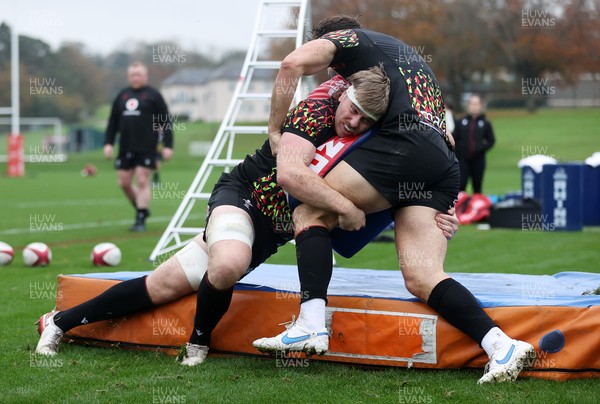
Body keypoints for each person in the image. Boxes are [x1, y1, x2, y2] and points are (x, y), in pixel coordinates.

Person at [37, 66, 458, 365]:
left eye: (365, 120)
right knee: (229, 263)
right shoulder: (314, 112)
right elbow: (292, 173)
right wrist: (344, 207)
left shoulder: (373, 133)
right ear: (342, 92)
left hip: (270, 230)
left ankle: (60, 322)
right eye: (351, 110)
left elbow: (405, 166)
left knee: (164, 283)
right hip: (244, 196)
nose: (353, 122)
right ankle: (198, 345)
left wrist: (440, 207)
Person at [253, 17, 534, 384]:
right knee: (422, 276)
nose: (329, 75)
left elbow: (291, 63)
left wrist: (274, 130)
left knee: (310, 209)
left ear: (334, 41)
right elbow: (438, 130)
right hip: (442, 164)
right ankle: (502, 346)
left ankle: (309, 324)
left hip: (409, 149)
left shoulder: (348, 43)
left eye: (329, 65)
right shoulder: (400, 62)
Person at [104, 61, 174, 232]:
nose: (135, 78)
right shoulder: (122, 96)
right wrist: (108, 143)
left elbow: (165, 122)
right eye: (132, 75)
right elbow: (112, 122)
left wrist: (168, 145)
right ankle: (142, 209)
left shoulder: (153, 95)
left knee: (142, 180)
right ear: (129, 77)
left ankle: (140, 218)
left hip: (147, 147)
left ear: (145, 76)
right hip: (126, 147)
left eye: (138, 75)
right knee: (124, 183)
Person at [453, 94, 495, 194]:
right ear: (468, 106)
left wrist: (480, 149)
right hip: (463, 160)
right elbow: (454, 139)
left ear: (481, 106)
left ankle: (477, 207)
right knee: (461, 185)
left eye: (476, 104)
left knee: (477, 186)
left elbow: (491, 141)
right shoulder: (461, 122)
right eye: (472, 104)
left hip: (478, 160)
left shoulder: (485, 123)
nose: (474, 106)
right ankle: (461, 207)